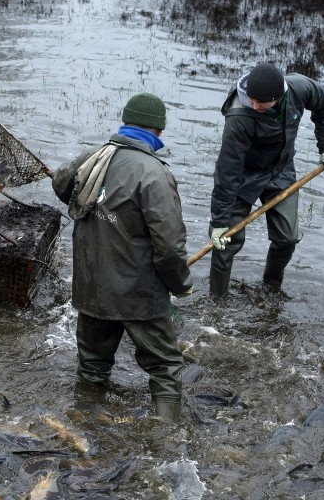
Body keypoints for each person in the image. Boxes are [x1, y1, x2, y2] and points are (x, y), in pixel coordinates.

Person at [52, 93, 193, 423]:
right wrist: (181, 284)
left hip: (92, 288)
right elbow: (169, 246)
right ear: (158, 131)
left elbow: (60, 185)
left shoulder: (93, 157)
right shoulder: (154, 174)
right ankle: (166, 443)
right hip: (138, 296)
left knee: (92, 367)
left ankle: (84, 429)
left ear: (125, 123)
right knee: (166, 368)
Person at [208, 63, 324, 296]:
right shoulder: (239, 116)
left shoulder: (299, 88)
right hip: (244, 176)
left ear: (279, 96)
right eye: (252, 99)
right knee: (227, 243)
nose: (255, 105)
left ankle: (271, 287)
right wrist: (219, 221)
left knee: (287, 238)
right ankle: (216, 301)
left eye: (262, 102)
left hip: (280, 171)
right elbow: (227, 170)